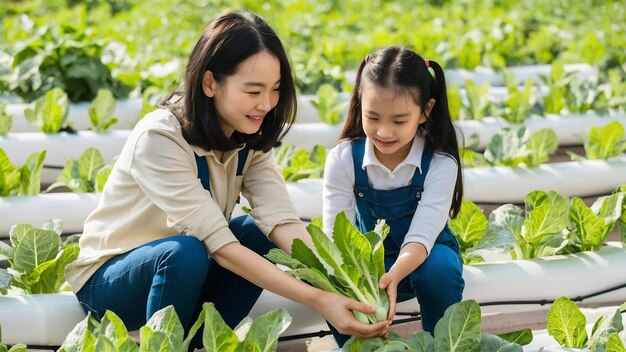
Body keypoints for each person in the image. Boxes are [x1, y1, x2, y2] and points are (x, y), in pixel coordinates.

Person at [64, 11, 389, 350]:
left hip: (189, 272)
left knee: (255, 232)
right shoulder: (160, 137)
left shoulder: (248, 135)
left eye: (275, 90)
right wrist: (317, 300)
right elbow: (219, 245)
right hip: (112, 284)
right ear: (210, 83)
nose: (266, 104)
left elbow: (281, 221)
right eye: (253, 91)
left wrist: (343, 283)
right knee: (184, 251)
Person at [322, 46, 465, 346]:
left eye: (399, 121)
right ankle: (360, 345)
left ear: (426, 111)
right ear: (360, 103)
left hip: (423, 256)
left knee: (439, 269)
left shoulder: (439, 162)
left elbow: (422, 235)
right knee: (330, 281)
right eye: (373, 117)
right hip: (369, 264)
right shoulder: (343, 158)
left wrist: (393, 276)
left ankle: (441, 343)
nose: (384, 131)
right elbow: (336, 234)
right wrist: (359, 281)